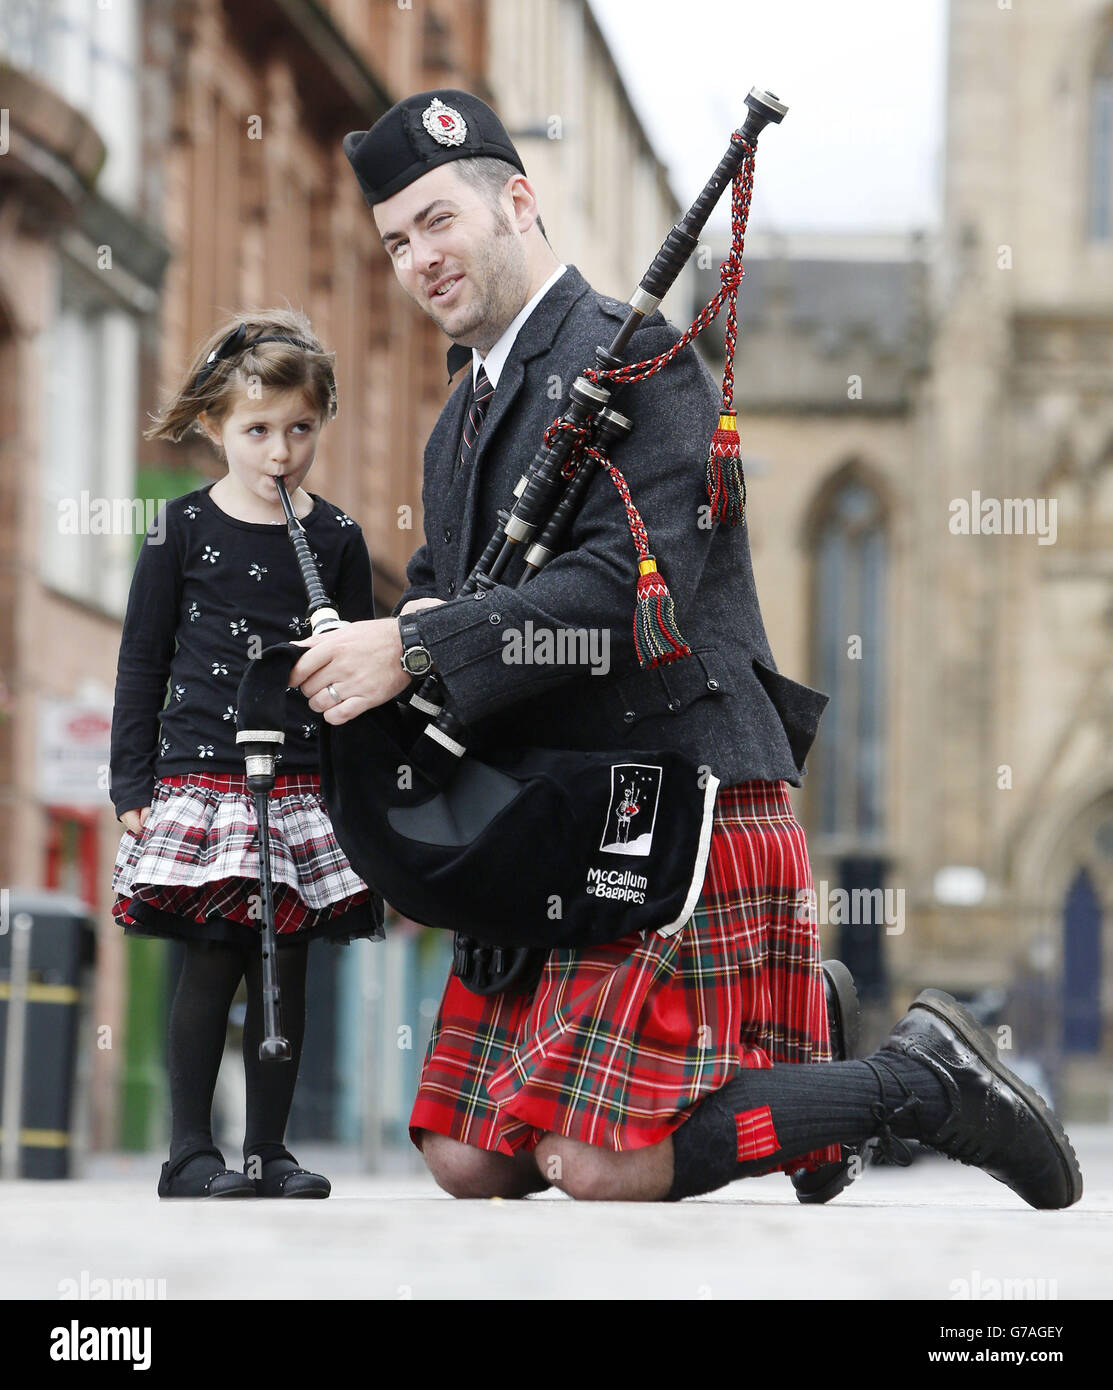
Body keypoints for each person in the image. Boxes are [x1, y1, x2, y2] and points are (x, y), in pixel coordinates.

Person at [289, 91, 1082, 1210]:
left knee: (604, 1164)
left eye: (438, 221)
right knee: (469, 1159)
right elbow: (447, 597)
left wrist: (417, 649)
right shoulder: (456, 421)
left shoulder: (646, 362)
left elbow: (617, 599)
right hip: (551, 816)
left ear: (517, 202)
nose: (420, 258)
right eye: (398, 241)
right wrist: (362, 662)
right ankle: (798, 1056)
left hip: (682, 797)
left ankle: (924, 1079)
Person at [110, 309, 384, 1199]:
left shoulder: (337, 539)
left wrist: (354, 798)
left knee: (286, 958)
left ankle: (269, 1150)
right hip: (204, 779)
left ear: (321, 424)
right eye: (258, 430)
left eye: (300, 429)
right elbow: (143, 657)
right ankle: (190, 1152)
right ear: (215, 428)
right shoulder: (179, 528)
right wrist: (130, 782)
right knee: (215, 951)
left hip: (299, 786)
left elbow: (344, 688)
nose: (280, 452)